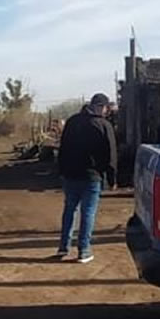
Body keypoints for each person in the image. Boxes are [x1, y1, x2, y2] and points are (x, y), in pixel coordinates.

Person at [55, 93, 117, 263]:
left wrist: (61, 170)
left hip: (70, 175)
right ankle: (84, 250)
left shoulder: (72, 121)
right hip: (92, 176)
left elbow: (63, 149)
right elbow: (111, 155)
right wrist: (112, 178)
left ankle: (63, 247)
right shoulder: (104, 125)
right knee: (87, 213)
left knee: (69, 210)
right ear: (101, 107)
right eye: (106, 108)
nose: (107, 111)